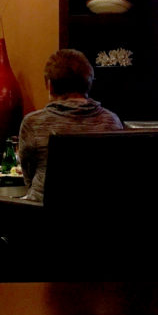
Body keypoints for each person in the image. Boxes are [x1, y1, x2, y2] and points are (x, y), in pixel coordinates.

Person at [18, 49, 123, 201]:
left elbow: (28, 176)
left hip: (42, 212)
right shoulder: (111, 121)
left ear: (50, 86)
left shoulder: (33, 123)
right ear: (88, 83)